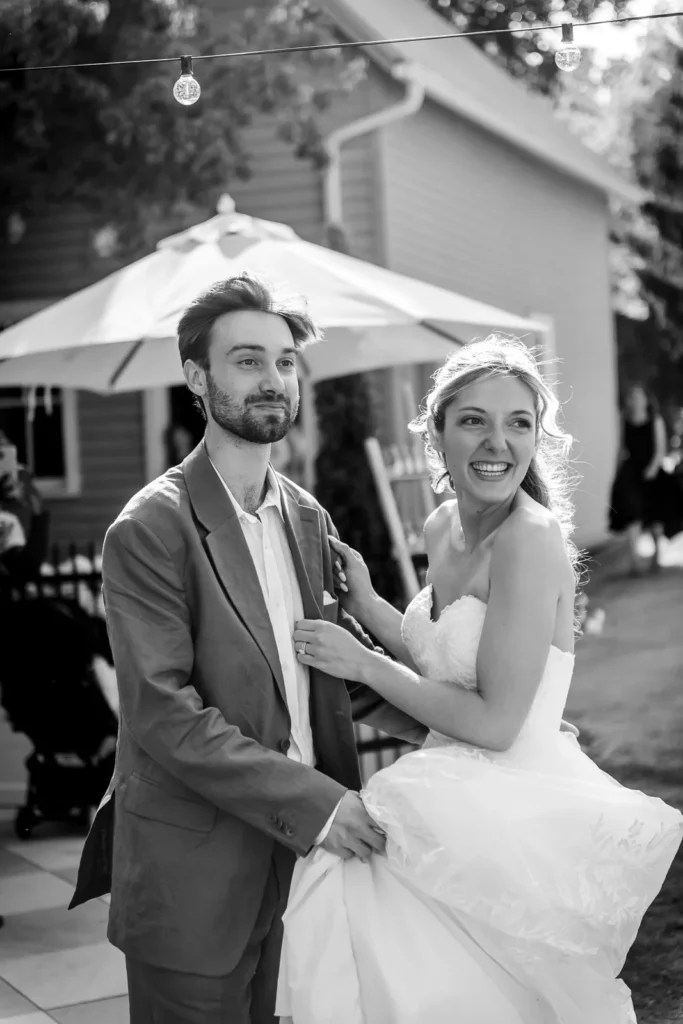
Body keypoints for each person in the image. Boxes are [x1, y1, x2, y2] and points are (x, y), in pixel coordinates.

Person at [276, 337, 683, 1024]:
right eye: (473, 420)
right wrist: (370, 605)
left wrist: (362, 661)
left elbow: (494, 721)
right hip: (452, 781)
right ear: (436, 433)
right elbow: (444, 652)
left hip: (508, 801)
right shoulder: (442, 527)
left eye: (517, 423)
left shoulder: (529, 538)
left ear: (536, 436)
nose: (497, 441)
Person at [68, 272, 427, 1024]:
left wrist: (465, 729)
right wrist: (321, 805)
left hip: (299, 869)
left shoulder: (305, 515)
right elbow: (165, 716)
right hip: (194, 873)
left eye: (285, 362)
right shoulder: (148, 530)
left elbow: (334, 673)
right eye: (247, 361)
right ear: (195, 377)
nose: (273, 380)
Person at [609, 384, 683, 573]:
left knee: (654, 515)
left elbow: (660, 448)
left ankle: (657, 554)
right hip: (631, 470)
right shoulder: (624, 419)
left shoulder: (654, 420)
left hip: (652, 470)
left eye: (638, 395)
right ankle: (634, 559)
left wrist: (651, 469)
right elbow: (621, 449)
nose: (635, 398)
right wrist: (618, 473)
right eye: (632, 395)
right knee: (632, 513)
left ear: (646, 399)